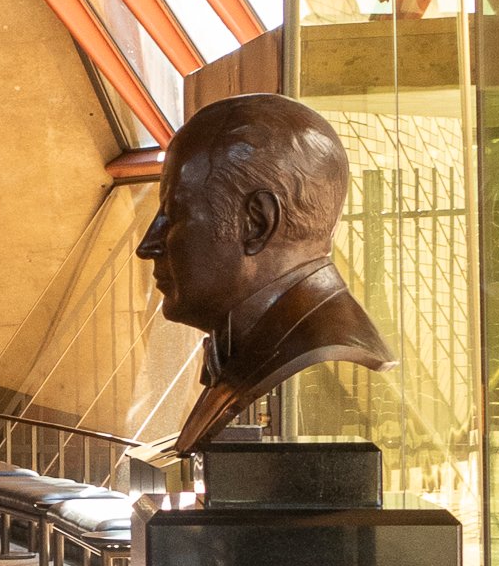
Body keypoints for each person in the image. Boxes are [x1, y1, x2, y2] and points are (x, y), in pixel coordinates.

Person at [137, 93, 390, 452]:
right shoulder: (248, 349)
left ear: (256, 223)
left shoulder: (314, 362)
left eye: (174, 215)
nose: (147, 246)